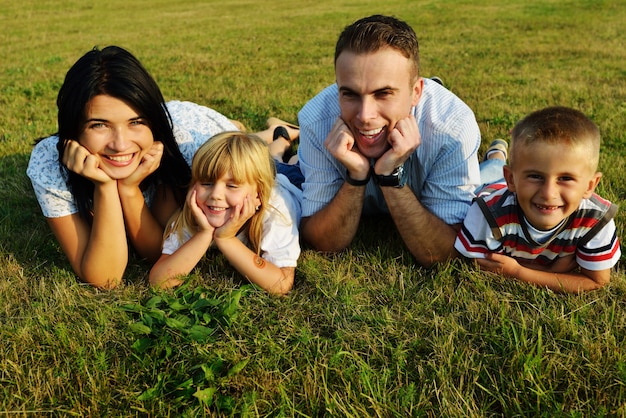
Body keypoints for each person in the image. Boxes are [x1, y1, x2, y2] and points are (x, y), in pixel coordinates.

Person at [26, 45, 298, 289]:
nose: (120, 145)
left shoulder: (192, 151)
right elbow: (105, 278)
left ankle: (275, 136)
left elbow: (160, 249)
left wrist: (129, 189)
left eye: (136, 122)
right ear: (74, 127)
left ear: (152, 122)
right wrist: (107, 186)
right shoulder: (49, 162)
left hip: (207, 131)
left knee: (268, 159)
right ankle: (273, 133)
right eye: (99, 124)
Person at [296, 14, 487, 267]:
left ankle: (495, 155)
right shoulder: (315, 121)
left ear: (416, 92)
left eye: (383, 93)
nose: (365, 116)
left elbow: (443, 254)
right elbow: (322, 242)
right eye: (350, 94)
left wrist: (390, 176)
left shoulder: (451, 127)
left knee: (492, 176)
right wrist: (356, 176)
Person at [455, 106, 621, 293]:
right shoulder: (487, 213)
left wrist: (518, 271)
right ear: (512, 179)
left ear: (590, 186)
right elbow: (485, 266)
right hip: (492, 186)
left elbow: (597, 281)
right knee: (488, 170)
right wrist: (555, 271)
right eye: (535, 176)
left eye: (565, 178)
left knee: (497, 166)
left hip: (513, 186)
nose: (549, 193)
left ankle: (499, 156)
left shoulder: (596, 220)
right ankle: (496, 155)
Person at [149, 132, 302, 295]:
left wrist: (226, 239)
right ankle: (279, 135)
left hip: (293, 180)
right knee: (273, 159)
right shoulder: (197, 209)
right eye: (207, 183)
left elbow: (280, 284)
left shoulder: (275, 209)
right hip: (257, 172)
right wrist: (204, 233)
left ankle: (282, 140)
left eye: (232, 186)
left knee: (287, 162)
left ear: (259, 193)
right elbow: (159, 280)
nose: (215, 194)